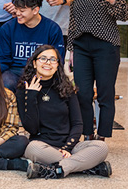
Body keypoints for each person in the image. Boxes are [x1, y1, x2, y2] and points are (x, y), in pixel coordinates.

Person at [17, 45, 111, 179]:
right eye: (43, 58)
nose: (47, 63)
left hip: (70, 147)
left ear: (57, 66)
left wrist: (67, 147)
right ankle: (86, 168)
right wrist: (31, 96)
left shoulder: (65, 88)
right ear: (34, 63)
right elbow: (31, 129)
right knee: (32, 148)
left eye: (52, 60)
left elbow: (78, 123)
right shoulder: (23, 89)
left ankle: (56, 169)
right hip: (43, 147)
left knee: (101, 147)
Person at [68, 0, 128, 140]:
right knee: (83, 94)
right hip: (81, 48)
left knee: (105, 93)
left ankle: (102, 136)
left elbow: (124, 15)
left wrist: (111, 2)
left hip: (106, 47)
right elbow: (73, 21)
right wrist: (70, 49)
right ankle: (87, 135)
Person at [0, 0, 65, 92]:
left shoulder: (52, 29)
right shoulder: (7, 29)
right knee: (6, 82)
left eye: (22, 10)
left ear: (35, 10)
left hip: (41, 70)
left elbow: (58, 60)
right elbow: (2, 60)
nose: (17, 13)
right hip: (15, 70)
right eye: (16, 9)